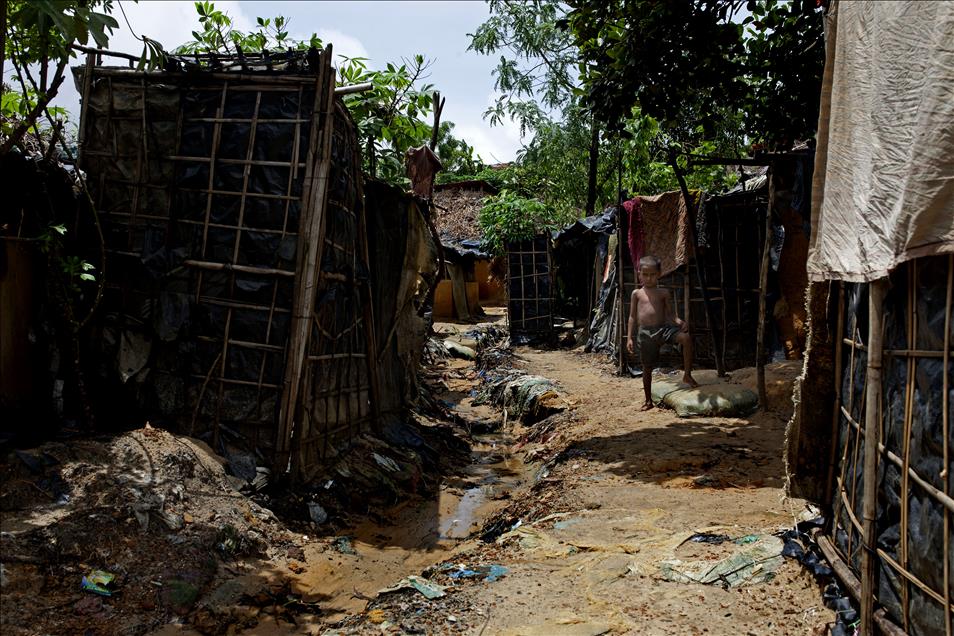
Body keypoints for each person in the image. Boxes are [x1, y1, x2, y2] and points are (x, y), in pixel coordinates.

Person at [626, 255, 698, 410]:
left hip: (663, 329)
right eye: (645, 274)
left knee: (685, 338)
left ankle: (687, 375)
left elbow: (670, 315)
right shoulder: (636, 294)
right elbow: (632, 316)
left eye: (652, 275)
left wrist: (679, 322)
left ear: (658, 274)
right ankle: (648, 400)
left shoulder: (663, 293)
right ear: (639, 274)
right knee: (647, 367)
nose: (649, 278)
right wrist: (629, 338)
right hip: (645, 334)